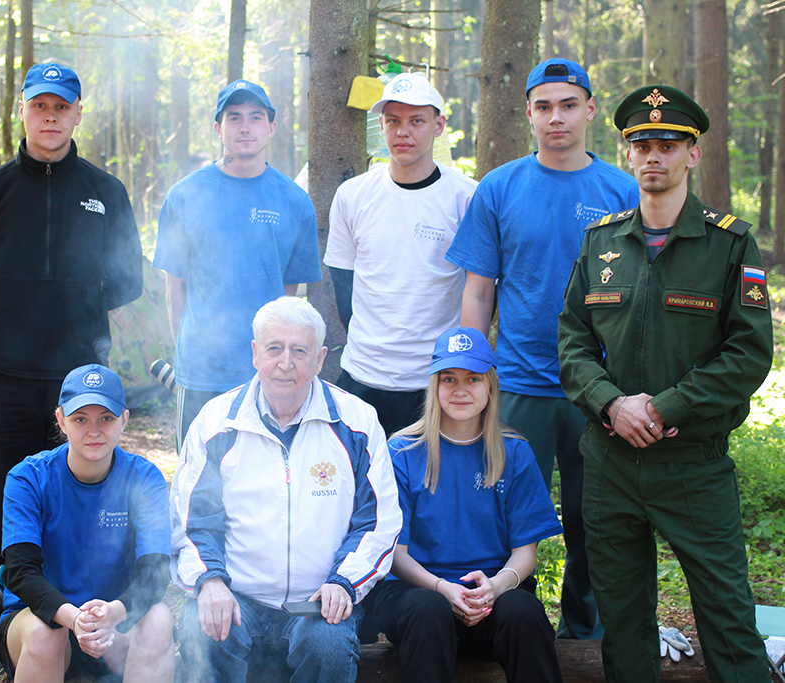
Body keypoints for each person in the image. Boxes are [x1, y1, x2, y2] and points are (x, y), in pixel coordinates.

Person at [557, 85, 773, 683]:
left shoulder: (731, 244)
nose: (654, 155)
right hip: (610, 463)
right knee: (623, 623)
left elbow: (749, 353)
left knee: (728, 618)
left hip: (693, 464)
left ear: (692, 154)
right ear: (628, 154)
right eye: (642, 144)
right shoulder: (601, 242)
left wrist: (666, 407)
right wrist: (611, 405)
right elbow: (572, 342)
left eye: (669, 145)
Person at [0, 62, 144, 674]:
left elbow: (128, 279)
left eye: (62, 107)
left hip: (84, 383)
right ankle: (11, 629)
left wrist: (77, 313)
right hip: (7, 377)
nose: (51, 117)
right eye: (40, 106)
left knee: (84, 503)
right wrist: (5, 312)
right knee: (5, 505)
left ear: (78, 112)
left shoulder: (106, 191)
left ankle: (84, 623)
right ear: (24, 111)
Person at [446, 58, 639, 639]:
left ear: (590, 110)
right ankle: (510, 628)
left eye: (569, 105)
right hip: (517, 384)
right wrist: (472, 376)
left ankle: (586, 635)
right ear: (529, 113)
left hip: (599, 390)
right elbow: (478, 291)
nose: (557, 117)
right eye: (544, 106)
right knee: (503, 517)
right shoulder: (500, 187)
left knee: (593, 519)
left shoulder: (622, 189)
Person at [169, 297, 402, 683]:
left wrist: (343, 582)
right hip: (237, 596)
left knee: (328, 646)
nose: (285, 362)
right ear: (255, 353)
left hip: (319, 600)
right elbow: (192, 520)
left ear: (320, 358)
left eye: (300, 351)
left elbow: (378, 520)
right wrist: (210, 580)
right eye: (274, 348)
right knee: (200, 630)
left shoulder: (357, 423)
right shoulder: (216, 424)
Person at [361, 327, 564, 683]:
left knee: (523, 611)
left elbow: (525, 554)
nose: (460, 390)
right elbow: (395, 554)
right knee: (428, 610)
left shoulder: (514, 452)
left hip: (491, 595)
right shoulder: (402, 452)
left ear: (490, 385)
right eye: (449, 379)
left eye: (473, 378)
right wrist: (442, 588)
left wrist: (495, 588)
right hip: (418, 596)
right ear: (434, 385)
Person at [153, 80, 321, 450]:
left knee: (262, 475)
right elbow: (174, 285)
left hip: (267, 373)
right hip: (202, 372)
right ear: (218, 128)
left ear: (271, 127)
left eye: (255, 117)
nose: (245, 127)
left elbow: (288, 293)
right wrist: (187, 354)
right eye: (234, 118)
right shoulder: (185, 195)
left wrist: (275, 355)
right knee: (198, 476)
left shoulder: (294, 201)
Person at [0, 364, 173, 683]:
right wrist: (74, 619)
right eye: (80, 419)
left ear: (124, 420)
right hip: (46, 620)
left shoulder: (145, 478)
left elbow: (155, 572)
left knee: (158, 620)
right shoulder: (28, 478)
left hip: (116, 623)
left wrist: (115, 612)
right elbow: (20, 572)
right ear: (61, 420)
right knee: (46, 633)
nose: (94, 431)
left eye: (106, 418)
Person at [324, 72, 478, 437]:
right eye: (393, 121)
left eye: (416, 121)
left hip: (434, 379)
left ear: (438, 125)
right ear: (381, 125)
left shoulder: (467, 197)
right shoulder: (352, 195)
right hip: (362, 376)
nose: (402, 132)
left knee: (430, 474)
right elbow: (343, 283)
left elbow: (483, 290)